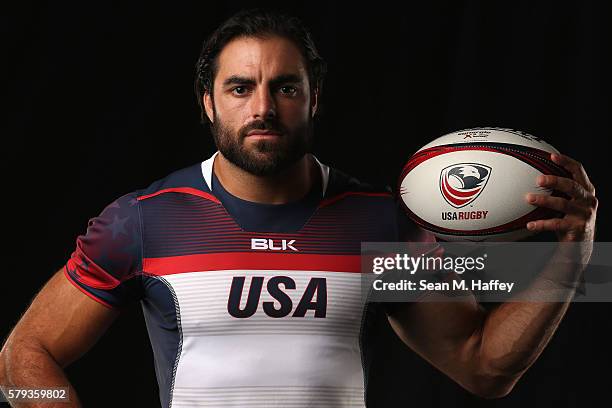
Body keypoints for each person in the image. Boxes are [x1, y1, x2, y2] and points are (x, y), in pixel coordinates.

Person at [0, 8, 598, 408]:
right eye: (240, 88)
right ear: (208, 103)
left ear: (314, 100)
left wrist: (576, 253)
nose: (263, 107)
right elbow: (21, 358)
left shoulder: (381, 222)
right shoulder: (145, 219)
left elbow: (484, 367)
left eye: (286, 87)